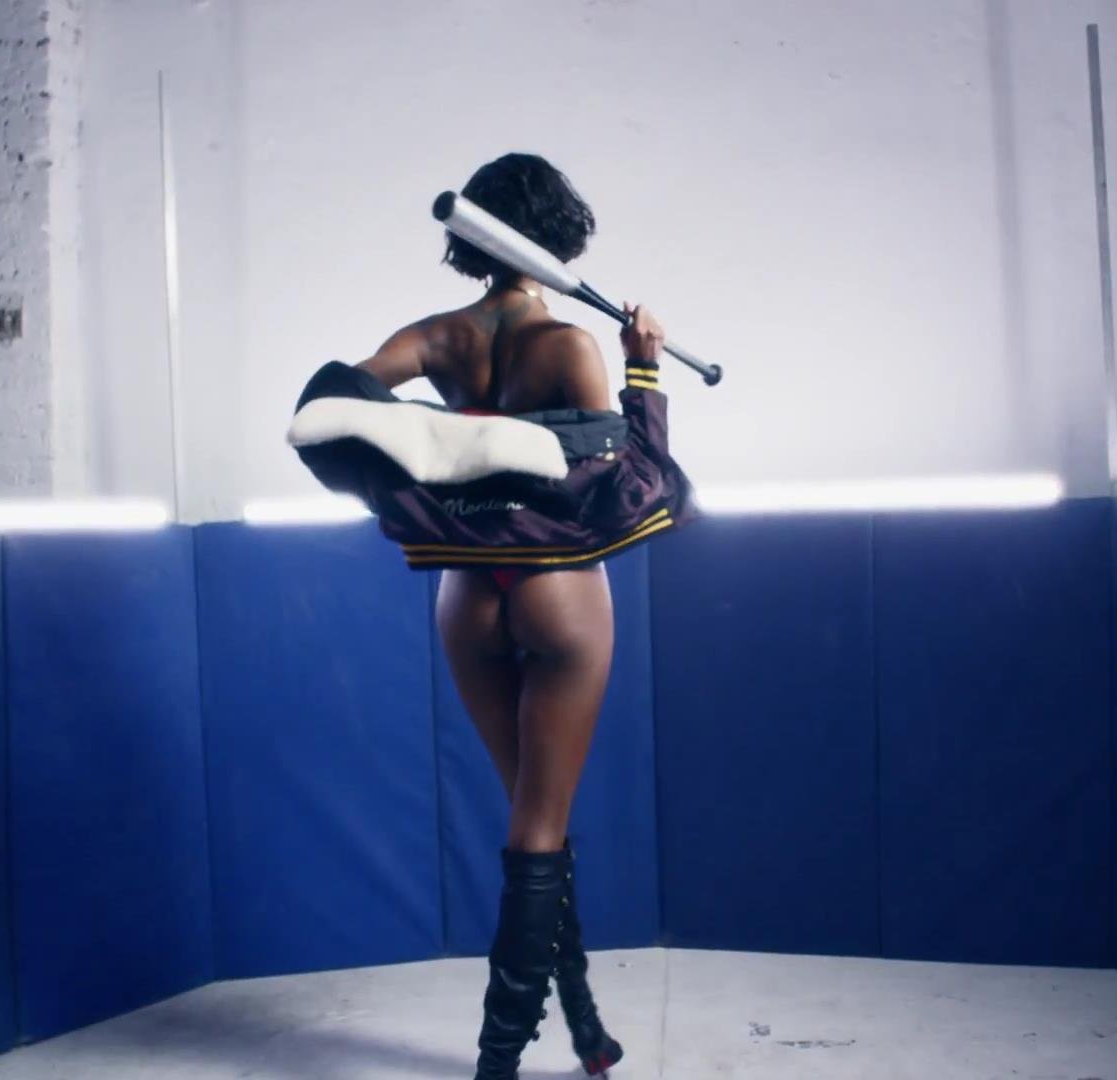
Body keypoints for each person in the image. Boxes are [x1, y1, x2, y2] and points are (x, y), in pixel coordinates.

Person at [288, 153, 694, 1079]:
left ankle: (585, 1027)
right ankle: (497, 1062)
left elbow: (335, 400)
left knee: (531, 821)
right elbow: (626, 484)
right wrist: (643, 368)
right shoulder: (570, 347)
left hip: (466, 591)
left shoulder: (434, 339)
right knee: (538, 827)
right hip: (558, 588)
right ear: (557, 235)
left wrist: (436, 455)